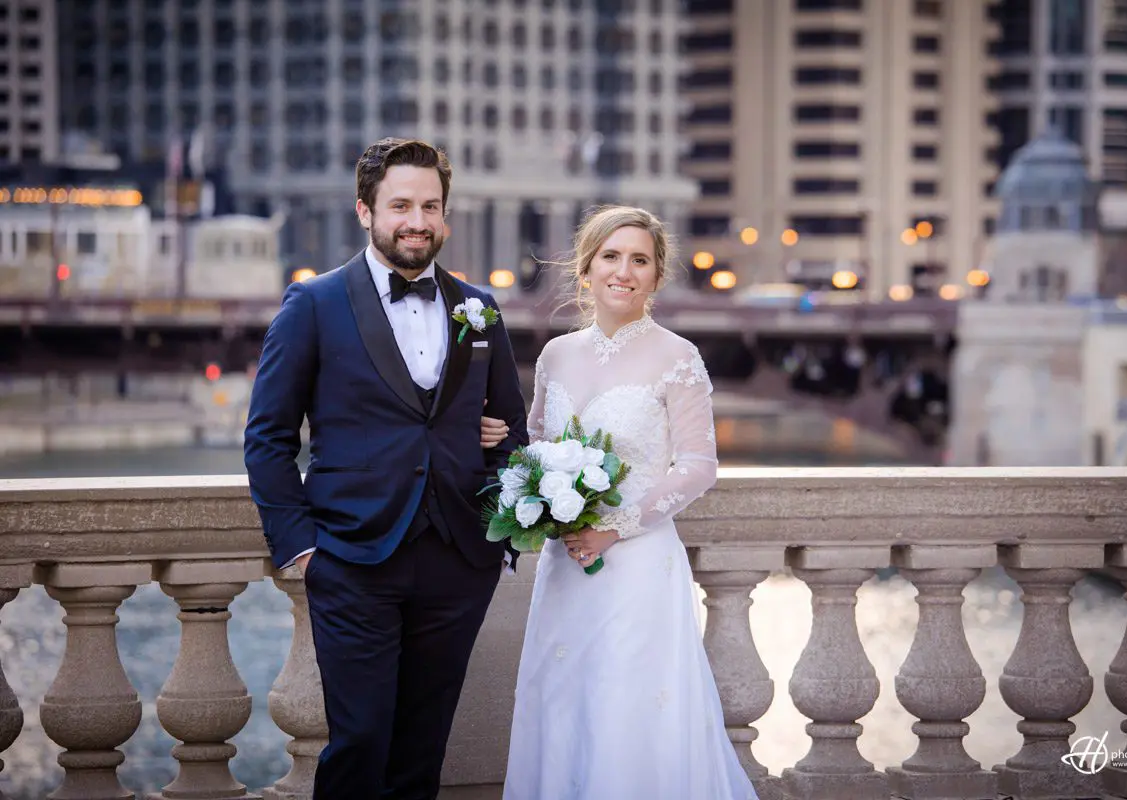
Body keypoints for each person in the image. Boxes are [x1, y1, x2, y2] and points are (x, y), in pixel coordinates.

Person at [244, 138, 528, 800]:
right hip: (351, 560)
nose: (417, 220)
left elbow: (511, 428)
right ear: (365, 211)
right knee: (361, 742)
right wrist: (302, 548)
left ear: (446, 217)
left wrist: (494, 524)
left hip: (458, 562)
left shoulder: (479, 308)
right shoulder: (312, 305)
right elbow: (268, 436)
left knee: (421, 752)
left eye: (430, 206)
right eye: (401, 205)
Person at [499, 206, 758, 799]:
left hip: (639, 563)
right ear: (586, 269)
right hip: (567, 565)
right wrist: (537, 497)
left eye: (639, 259)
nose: (624, 271)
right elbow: (539, 448)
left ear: (657, 275)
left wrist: (613, 527)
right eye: (610, 257)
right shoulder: (555, 356)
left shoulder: (678, 356)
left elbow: (698, 465)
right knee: (563, 693)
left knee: (631, 703)